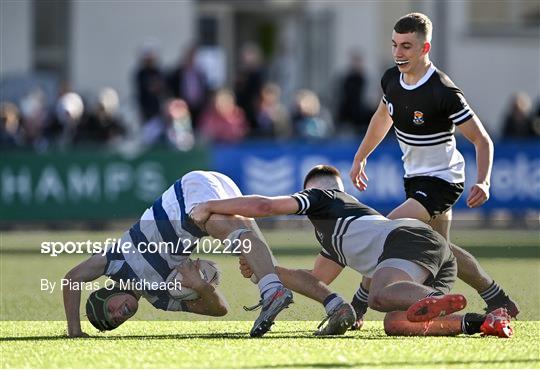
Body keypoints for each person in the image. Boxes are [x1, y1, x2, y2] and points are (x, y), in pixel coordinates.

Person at [191, 165, 514, 338]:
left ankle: (427, 297)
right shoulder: (338, 235)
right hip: (424, 260)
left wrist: (210, 205)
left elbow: (264, 205)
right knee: (396, 324)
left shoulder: (323, 198)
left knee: (380, 296)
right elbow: (315, 279)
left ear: (311, 190)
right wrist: (264, 269)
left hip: (408, 244)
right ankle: (482, 322)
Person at [348, 13, 518, 324]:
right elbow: (382, 119)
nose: (399, 53)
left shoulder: (443, 91)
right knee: (441, 250)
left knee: (385, 231)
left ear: (425, 48)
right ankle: (497, 296)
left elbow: (482, 140)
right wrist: (361, 156)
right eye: (395, 45)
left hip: (443, 182)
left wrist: (484, 182)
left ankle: (355, 308)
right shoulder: (390, 79)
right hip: (415, 180)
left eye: (407, 46)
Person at [63, 170, 351, 338]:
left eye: (110, 310)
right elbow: (219, 310)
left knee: (210, 221)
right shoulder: (161, 299)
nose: (120, 314)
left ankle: (272, 291)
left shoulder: (115, 262)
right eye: (116, 321)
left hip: (189, 199)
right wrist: (201, 286)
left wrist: (74, 330)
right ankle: (335, 305)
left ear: (106, 293)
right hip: (207, 204)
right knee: (266, 268)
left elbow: (71, 279)